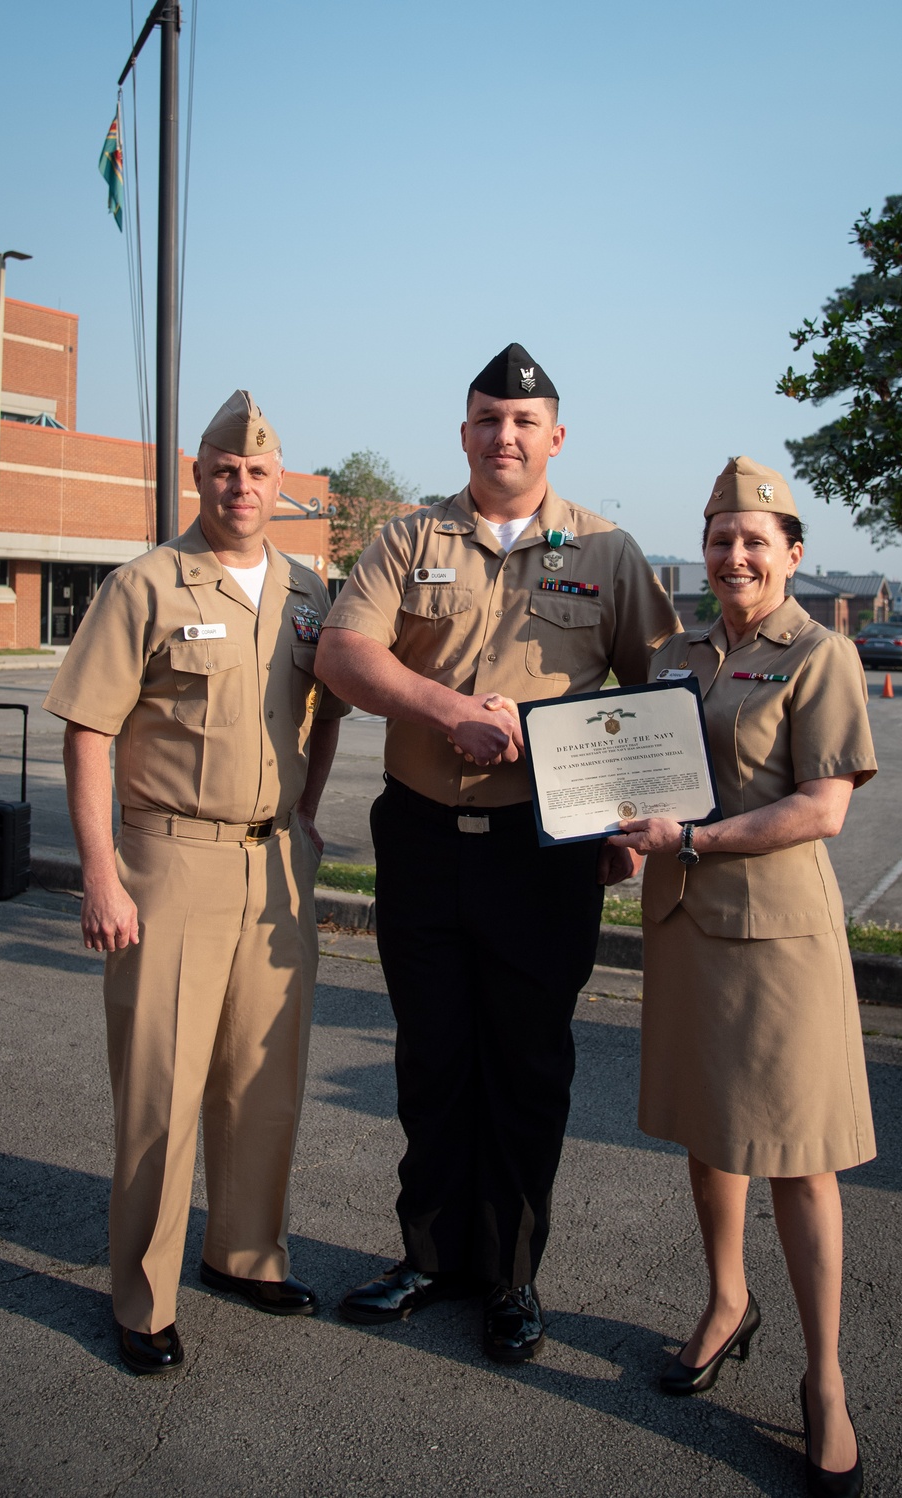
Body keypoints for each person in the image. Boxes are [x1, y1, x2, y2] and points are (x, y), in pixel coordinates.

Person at [314, 343, 679, 1362]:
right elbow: (347, 652)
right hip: (423, 834)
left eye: (523, 422)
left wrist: (632, 831)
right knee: (432, 1055)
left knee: (526, 1064)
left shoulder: (608, 553)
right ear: (463, 432)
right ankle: (429, 1258)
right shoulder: (407, 537)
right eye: (486, 418)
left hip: (541, 850)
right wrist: (444, 711)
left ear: (554, 437)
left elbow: (659, 697)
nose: (503, 435)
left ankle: (512, 1276)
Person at [43, 391, 348, 1375]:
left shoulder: (309, 593)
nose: (241, 485)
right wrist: (102, 873)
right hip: (168, 860)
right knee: (161, 1089)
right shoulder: (145, 585)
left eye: (259, 472)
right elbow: (87, 729)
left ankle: (245, 1252)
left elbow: (327, 709)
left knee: (263, 1079)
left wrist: (302, 817)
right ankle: (143, 1294)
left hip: (273, 869)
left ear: (278, 483)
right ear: (198, 474)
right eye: (225, 468)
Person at [608, 456, 875, 1498]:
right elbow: (645, 776)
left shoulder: (820, 654)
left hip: (775, 938)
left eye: (754, 539)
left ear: (792, 553)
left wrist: (695, 837)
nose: (734, 553)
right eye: (720, 536)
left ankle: (824, 1381)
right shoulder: (680, 652)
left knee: (799, 1157)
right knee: (708, 1130)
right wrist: (622, 838)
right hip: (681, 922)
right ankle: (725, 1302)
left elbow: (822, 808)